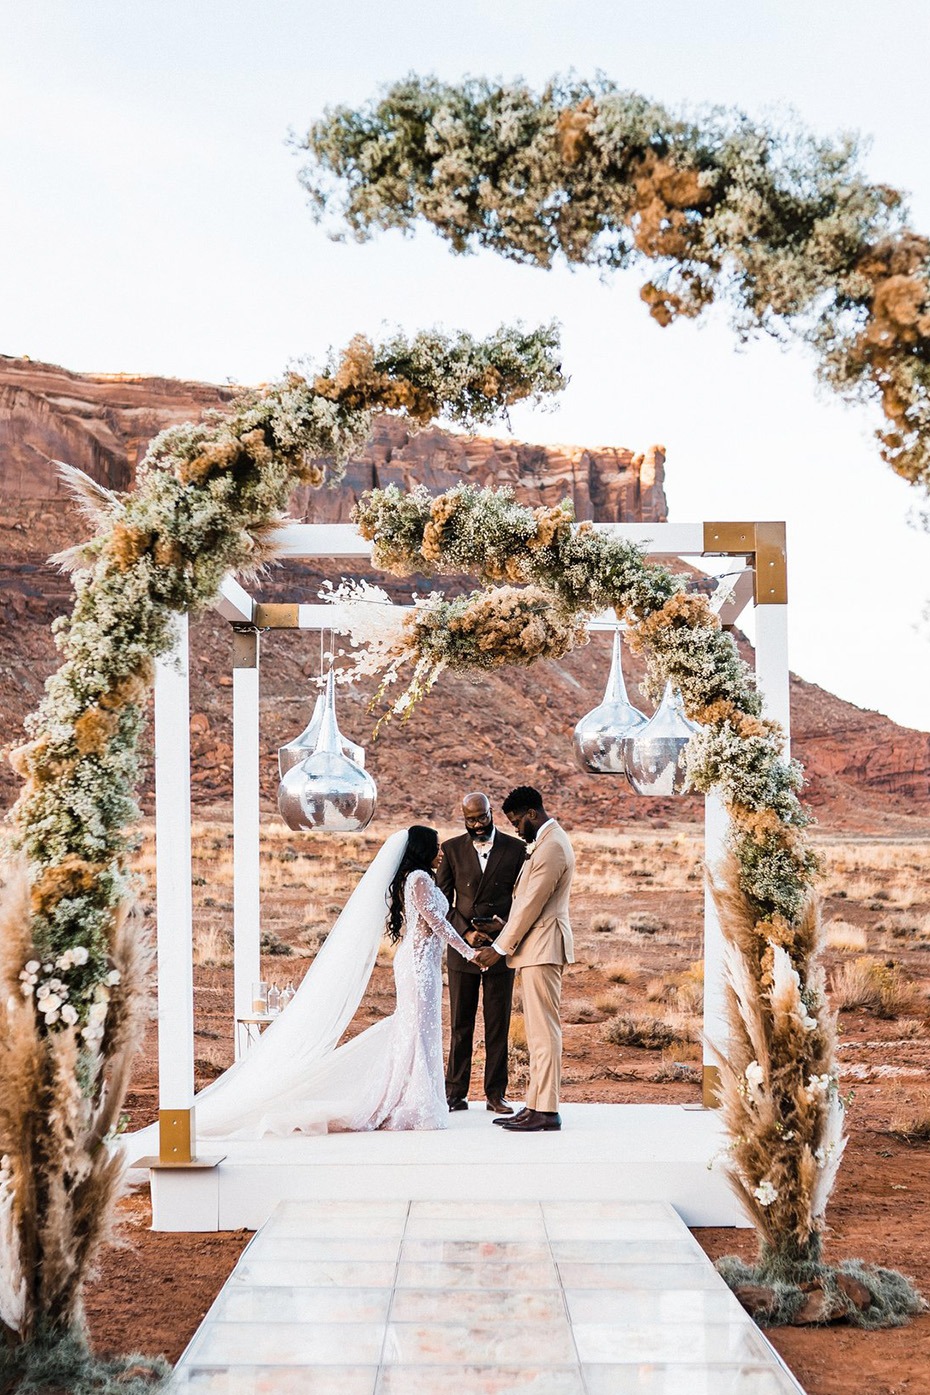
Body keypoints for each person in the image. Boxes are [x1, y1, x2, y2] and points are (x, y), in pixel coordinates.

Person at [156, 827, 479, 1141]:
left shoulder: (418, 878)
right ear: (422, 850)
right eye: (435, 846)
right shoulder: (420, 879)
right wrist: (469, 953)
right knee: (416, 1027)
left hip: (423, 965)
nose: (440, 853)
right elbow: (437, 923)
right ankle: (411, 1101)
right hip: (418, 966)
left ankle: (412, 1096)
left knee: (419, 1028)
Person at [474, 786, 575, 1133]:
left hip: (544, 948)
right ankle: (535, 1104)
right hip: (535, 947)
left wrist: (499, 947)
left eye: (518, 822)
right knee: (536, 1031)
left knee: (544, 1031)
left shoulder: (552, 847)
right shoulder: (546, 844)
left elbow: (532, 904)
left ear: (532, 814)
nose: (516, 830)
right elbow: (529, 904)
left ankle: (546, 1110)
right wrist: (502, 927)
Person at [437, 792, 526, 1114]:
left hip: (501, 949)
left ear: (492, 814)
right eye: (470, 819)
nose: (476, 825)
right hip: (462, 951)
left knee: (497, 1024)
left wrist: (502, 930)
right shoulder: (451, 849)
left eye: (482, 818)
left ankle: (495, 1095)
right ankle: (455, 1093)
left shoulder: (516, 849)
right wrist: (466, 932)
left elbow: (523, 898)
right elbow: (441, 901)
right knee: (461, 1025)